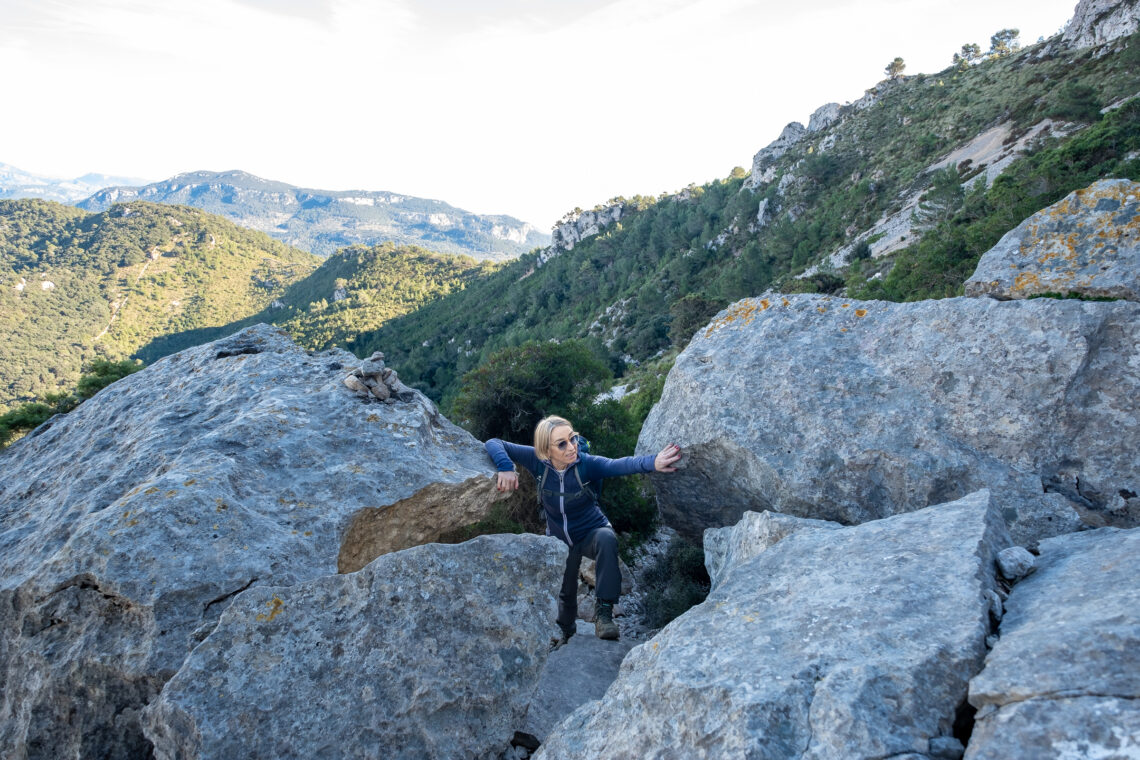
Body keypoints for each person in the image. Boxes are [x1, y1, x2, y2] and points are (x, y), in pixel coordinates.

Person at [485, 415, 682, 642]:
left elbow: (620, 464)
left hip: (590, 533)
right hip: (559, 539)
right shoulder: (536, 461)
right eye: (562, 444)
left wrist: (653, 461)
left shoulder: (587, 464)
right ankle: (566, 631)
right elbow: (493, 442)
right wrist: (505, 466)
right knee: (566, 589)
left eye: (573, 439)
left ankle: (605, 614)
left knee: (607, 538)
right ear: (545, 451)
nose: (572, 448)